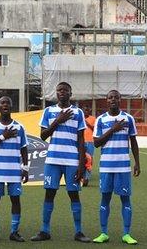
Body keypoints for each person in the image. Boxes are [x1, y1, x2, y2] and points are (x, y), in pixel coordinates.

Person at [31, 82, 90, 243]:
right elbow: (43, 136)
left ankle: (78, 232)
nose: (62, 93)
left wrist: (81, 164)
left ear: (71, 93)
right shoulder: (49, 111)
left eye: (65, 90)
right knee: (49, 194)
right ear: (56, 93)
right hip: (52, 160)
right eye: (59, 90)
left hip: (71, 160)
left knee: (73, 194)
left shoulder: (78, 113)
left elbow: (81, 140)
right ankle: (44, 230)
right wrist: (58, 120)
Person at [91, 90, 140, 245]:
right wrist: (113, 129)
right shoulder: (100, 120)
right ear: (106, 100)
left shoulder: (128, 118)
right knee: (105, 199)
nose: (113, 100)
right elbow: (96, 143)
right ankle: (103, 233)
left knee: (125, 199)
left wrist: (137, 162)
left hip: (123, 167)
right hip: (106, 167)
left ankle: (126, 234)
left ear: (121, 100)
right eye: (110, 97)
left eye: (116, 97)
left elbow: (133, 142)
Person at [0, 96, 29, 242]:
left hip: (14, 171)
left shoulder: (19, 127)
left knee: (15, 200)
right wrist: (3, 136)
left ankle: (14, 232)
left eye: (8, 102)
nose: (5, 104)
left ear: (12, 106)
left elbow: (24, 149)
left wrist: (25, 168)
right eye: (2, 102)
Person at [83, 107, 96, 172]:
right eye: (85, 110)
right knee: (82, 157)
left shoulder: (93, 119)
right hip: (81, 141)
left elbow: (95, 130)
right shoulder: (80, 118)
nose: (86, 111)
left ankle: (88, 171)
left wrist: (88, 124)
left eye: (87, 110)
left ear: (90, 110)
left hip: (90, 141)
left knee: (90, 157)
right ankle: (82, 171)